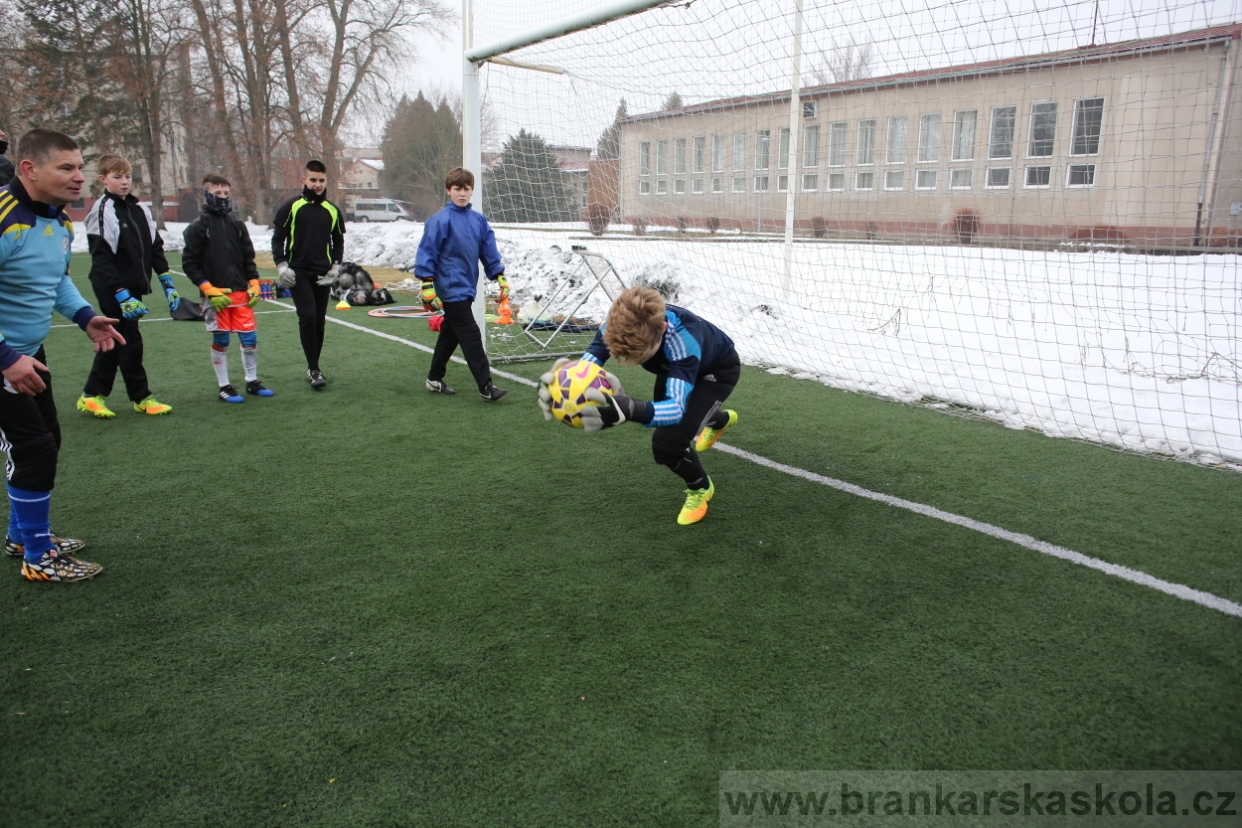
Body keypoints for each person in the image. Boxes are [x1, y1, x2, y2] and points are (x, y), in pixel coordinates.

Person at [0, 129, 126, 581]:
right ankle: (38, 557)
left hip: (28, 354)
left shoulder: (55, 218)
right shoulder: (4, 216)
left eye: (80, 169)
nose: (79, 179)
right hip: (6, 360)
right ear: (30, 169)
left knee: (46, 438)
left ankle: (22, 537)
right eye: (66, 168)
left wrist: (85, 316)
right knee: (32, 448)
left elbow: (55, 279)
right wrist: (4, 357)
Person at [540, 286, 740, 525]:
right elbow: (585, 370)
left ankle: (701, 488)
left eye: (638, 356)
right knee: (687, 416)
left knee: (667, 443)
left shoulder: (683, 342)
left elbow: (673, 410)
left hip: (715, 371)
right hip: (672, 368)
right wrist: (564, 386)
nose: (627, 362)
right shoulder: (616, 325)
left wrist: (628, 409)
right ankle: (720, 420)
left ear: (662, 331)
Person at [76, 154, 179, 419]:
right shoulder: (101, 210)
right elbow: (102, 258)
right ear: (103, 179)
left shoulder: (140, 209)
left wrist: (167, 283)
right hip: (111, 287)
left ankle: (91, 395)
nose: (124, 182)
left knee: (116, 339)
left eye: (127, 176)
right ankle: (142, 397)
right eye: (117, 177)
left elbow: (155, 248)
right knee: (130, 341)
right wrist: (121, 294)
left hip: (132, 288)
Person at [414, 167, 509, 401]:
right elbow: (427, 252)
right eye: (457, 189)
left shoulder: (479, 221)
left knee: (450, 334)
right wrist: (427, 286)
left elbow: (489, 251)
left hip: (467, 286)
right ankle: (486, 387)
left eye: (467, 189)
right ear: (449, 190)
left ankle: (434, 378)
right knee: (470, 333)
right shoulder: (439, 221)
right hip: (448, 287)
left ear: (472, 190)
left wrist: (499, 277)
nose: (462, 193)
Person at [181, 173, 274, 403]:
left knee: (250, 338)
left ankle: (252, 382)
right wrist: (207, 289)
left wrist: (253, 282)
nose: (223, 198)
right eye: (217, 194)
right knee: (222, 340)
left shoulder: (237, 224)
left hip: (241, 295)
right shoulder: (197, 227)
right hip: (217, 297)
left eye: (226, 194)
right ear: (206, 195)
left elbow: (247, 257)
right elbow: (189, 263)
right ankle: (225, 386)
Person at [271, 159, 344, 390]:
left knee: (320, 321)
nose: (318, 184)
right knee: (308, 317)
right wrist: (281, 265)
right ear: (304, 180)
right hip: (298, 272)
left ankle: (315, 365)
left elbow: (338, 240)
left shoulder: (332, 210)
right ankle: (313, 369)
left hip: (322, 273)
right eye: (313, 180)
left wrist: (336, 267)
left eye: (321, 180)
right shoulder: (291, 207)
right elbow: (277, 239)